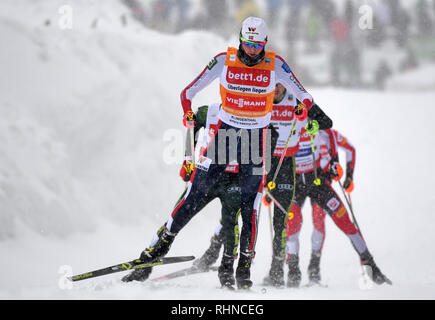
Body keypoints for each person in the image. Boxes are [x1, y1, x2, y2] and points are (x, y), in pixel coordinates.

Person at [124, 17, 316, 289]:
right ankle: (152, 255)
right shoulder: (224, 61)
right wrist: (188, 114)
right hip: (225, 135)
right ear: (241, 40)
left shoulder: (275, 64)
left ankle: (243, 269)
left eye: (257, 44)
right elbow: (187, 92)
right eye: (248, 43)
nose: (252, 50)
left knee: (249, 207)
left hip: (254, 140)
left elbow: (305, 96)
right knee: (192, 197)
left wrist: (302, 108)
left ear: (265, 43)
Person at [192, 83, 332, 288]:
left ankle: (281, 269)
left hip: (284, 164)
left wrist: (313, 124)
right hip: (257, 159)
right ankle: (212, 253)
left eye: (279, 85)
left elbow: (326, 122)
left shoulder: (297, 100)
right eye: (272, 84)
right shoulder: (259, 97)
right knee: (238, 208)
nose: (275, 89)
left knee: (281, 219)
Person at [285, 128, 392, 287]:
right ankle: (291, 270)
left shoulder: (328, 134)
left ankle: (369, 266)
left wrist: (347, 174)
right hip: (295, 183)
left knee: (336, 221)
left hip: (319, 182)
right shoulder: (288, 126)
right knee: (291, 223)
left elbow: (349, 149)